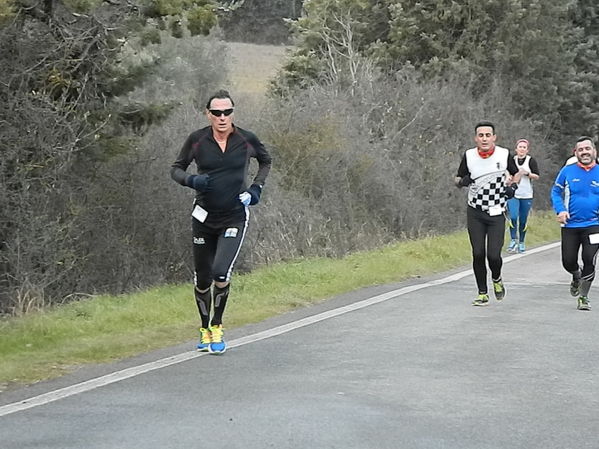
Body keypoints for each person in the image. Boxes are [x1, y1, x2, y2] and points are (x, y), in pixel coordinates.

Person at [170, 90, 272, 353]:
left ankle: (217, 325)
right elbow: (176, 168)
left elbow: (265, 160)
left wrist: (256, 189)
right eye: (217, 113)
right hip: (204, 217)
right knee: (203, 279)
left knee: (220, 272)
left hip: (234, 217)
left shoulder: (246, 139)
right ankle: (204, 329)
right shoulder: (197, 140)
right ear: (208, 114)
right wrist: (192, 180)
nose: (222, 117)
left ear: (233, 113)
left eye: (227, 112)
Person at [455, 121, 520, 306]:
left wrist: (513, 187)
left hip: (496, 212)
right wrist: (462, 182)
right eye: (481, 135)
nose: (484, 139)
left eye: (487, 135)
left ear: (494, 137)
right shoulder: (469, 156)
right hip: (475, 211)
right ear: (476, 138)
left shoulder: (504, 154)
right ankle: (482, 292)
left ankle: (497, 279)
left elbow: (516, 173)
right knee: (478, 253)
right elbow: (457, 178)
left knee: (493, 255)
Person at [551, 136, 599, 311]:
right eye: (581, 150)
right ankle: (576, 275)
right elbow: (555, 192)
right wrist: (560, 210)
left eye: (587, 149)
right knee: (568, 261)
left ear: (594, 151)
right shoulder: (567, 171)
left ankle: (584, 297)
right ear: (575, 153)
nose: (584, 152)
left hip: (594, 225)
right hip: (570, 225)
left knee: (589, 259)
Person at [506, 139, 540, 253]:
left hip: (526, 194)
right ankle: (513, 240)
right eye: (520, 147)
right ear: (516, 149)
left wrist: (528, 173)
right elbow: (506, 172)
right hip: (513, 194)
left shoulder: (531, 161)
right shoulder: (512, 160)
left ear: (527, 150)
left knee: (523, 220)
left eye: (524, 147)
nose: (522, 149)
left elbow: (537, 176)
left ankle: (521, 242)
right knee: (514, 216)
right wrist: (509, 178)